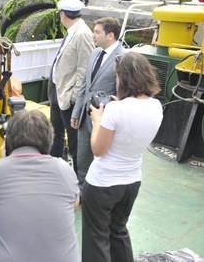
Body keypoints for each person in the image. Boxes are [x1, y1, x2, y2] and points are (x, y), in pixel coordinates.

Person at [82, 52, 163, 262]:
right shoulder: (156, 106)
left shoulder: (115, 110)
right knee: (118, 232)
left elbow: (98, 150)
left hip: (103, 184)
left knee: (96, 237)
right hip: (131, 181)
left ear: (124, 77)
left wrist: (97, 120)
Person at [0, 110, 79, 262]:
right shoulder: (64, 169)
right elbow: (73, 206)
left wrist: (4, 161)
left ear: (8, 141)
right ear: (49, 139)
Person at [70, 17, 125, 190]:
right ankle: (81, 190)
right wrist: (76, 111)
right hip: (86, 115)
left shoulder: (122, 58)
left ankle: (98, 192)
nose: (93, 35)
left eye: (97, 32)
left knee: (102, 158)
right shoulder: (94, 53)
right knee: (82, 156)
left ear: (110, 35)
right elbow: (85, 85)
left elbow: (122, 93)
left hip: (105, 119)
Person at [48, 0, 94, 172]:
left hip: (68, 96)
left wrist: (74, 97)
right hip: (58, 91)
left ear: (63, 14)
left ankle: (77, 179)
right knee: (55, 134)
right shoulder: (73, 30)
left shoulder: (82, 34)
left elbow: (84, 69)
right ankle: (55, 171)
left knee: (74, 141)